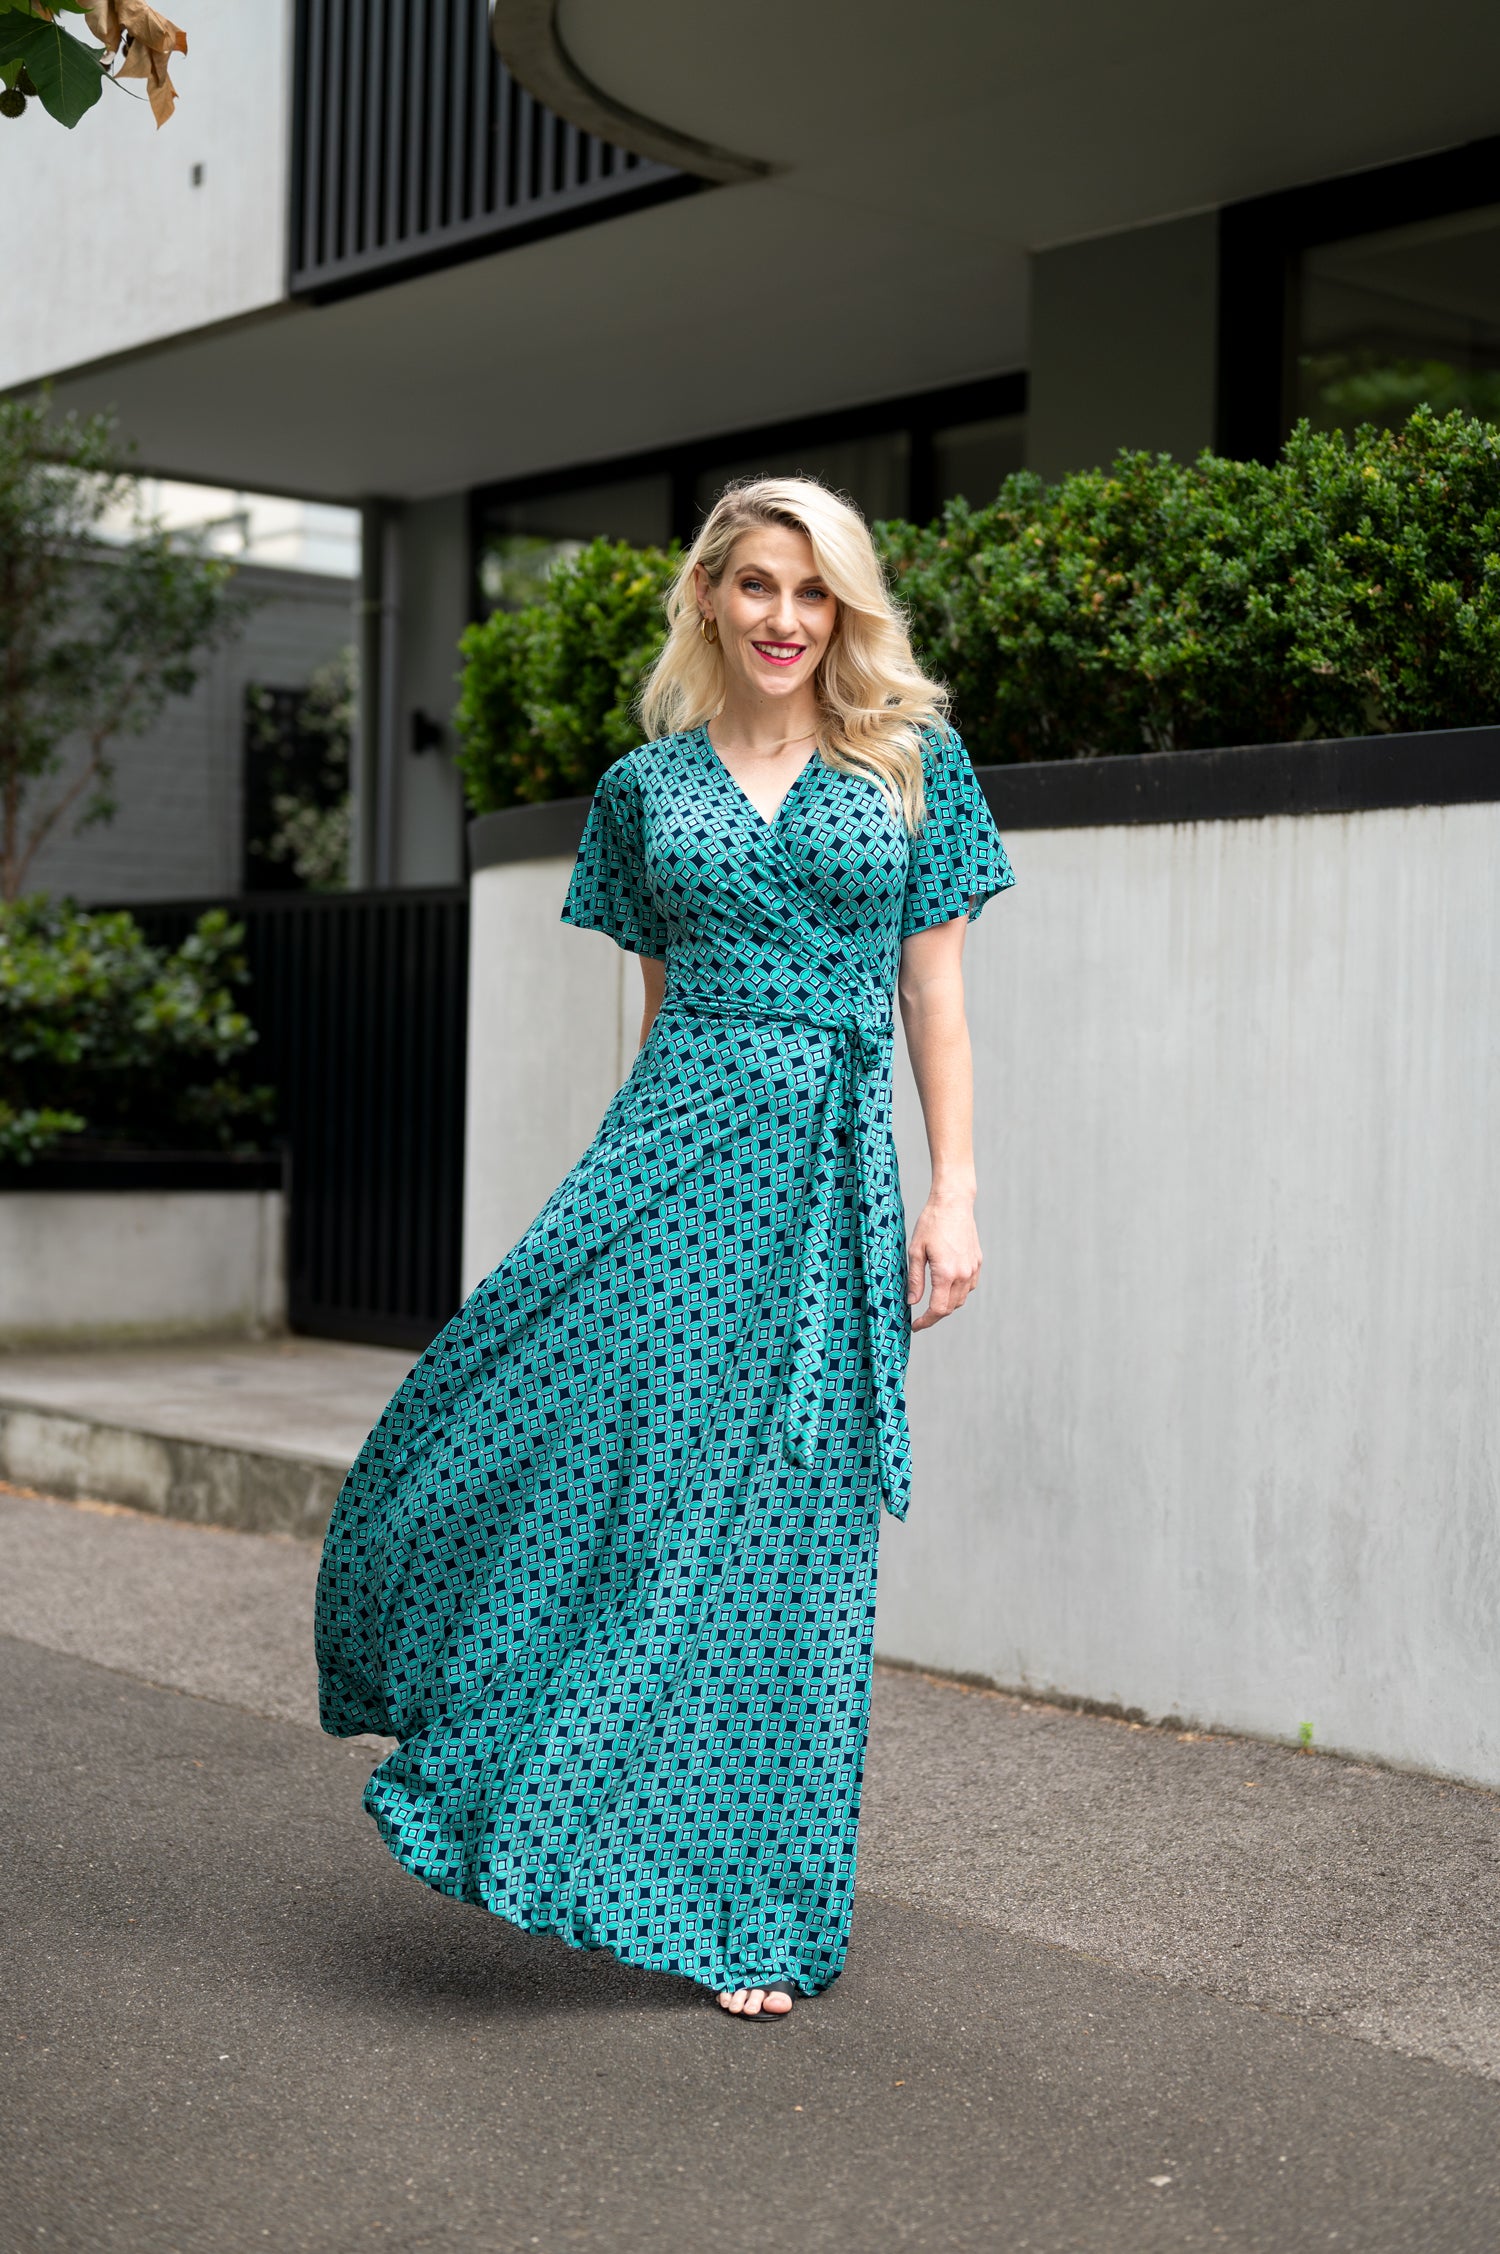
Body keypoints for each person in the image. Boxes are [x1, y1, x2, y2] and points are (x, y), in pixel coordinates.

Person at [314, 475, 1015, 2020]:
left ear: (846, 609)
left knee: (789, 1545)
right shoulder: (645, 791)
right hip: (665, 1178)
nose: (784, 618)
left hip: (823, 1191)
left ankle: (754, 1911)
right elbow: (653, 1029)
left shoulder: (914, 768)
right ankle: (544, 1802)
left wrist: (950, 1193)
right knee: (585, 1487)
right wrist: (612, 1203)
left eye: (813, 591)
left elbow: (934, 1001)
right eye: (756, 585)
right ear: (708, 595)